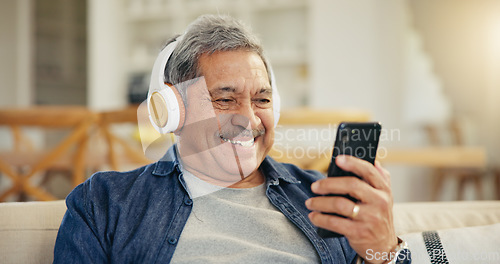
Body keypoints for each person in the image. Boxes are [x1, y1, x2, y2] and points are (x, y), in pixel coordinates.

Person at [54, 14, 410, 264]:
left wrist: (383, 252)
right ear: (172, 111)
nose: (251, 119)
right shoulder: (103, 203)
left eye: (263, 99)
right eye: (225, 99)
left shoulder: (328, 199)